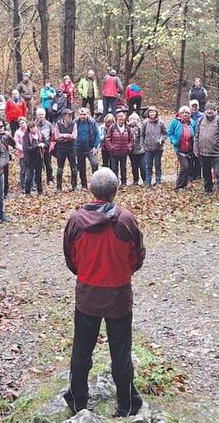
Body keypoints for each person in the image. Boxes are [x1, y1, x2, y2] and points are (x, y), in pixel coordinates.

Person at [63, 168, 146, 418]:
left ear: (91, 189)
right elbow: (137, 256)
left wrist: (88, 272)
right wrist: (121, 271)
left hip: (88, 295)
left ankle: (78, 400)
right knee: (120, 352)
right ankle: (126, 404)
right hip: (118, 296)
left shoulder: (76, 221)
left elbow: (71, 259)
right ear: (116, 190)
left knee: (81, 350)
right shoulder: (126, 220)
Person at [195, 102, 219, 201]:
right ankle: (208, 189)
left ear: (215, 110)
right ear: (205, 110)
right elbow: (197, 136)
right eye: (207, 109)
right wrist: (196, 149)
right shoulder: (201, 120)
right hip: (203, 153)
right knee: (206, 173)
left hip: (216, 154)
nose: (209, 111)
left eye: (211, 109)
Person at [168, 106, 197, 190]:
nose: (185, 114)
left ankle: (185, 184)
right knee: (185, 167)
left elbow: (196, 132)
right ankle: (179, 186)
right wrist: (173, 141)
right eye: (183, 113)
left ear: (189, 114)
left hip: (190, 148)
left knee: (189, 167)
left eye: (187, 113)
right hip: (180, 148)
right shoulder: (175, 122)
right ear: (180, 114)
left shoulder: (192, 122)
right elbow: (169, 133)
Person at [103, 111, 134, 185]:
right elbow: (107, 139)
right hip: (114, 152)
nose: (121, 121)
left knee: (123, 168)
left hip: (124, 152)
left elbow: (131, 139)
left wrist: (128, 148)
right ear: (116, 119)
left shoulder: (127, 128)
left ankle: (124, 182)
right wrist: (111, 148)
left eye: (122, 120)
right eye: (119, 120)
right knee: (114, 168)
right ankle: (115, 183)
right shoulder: (112, 128)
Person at [54, 108, 80, 191]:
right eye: (68, 115)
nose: (70, 116)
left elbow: (74, 136)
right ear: (64, 116)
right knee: (60, 168)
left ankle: (74, 186)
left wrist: (63, 136)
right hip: (60, 148)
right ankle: (59, 187)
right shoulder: (58, 124)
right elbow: (56, 137)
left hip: (71, 148)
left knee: (74, 168)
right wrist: (68, 135)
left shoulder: (74, 124)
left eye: (71, 115)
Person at [140, 106, 165, 186]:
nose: (152, 113)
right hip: (148, 148)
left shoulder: (160, 123)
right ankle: (148, 181)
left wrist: (162, 139)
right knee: (148, 166)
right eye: (150, 112)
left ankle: (158, 180)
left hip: (158, 148)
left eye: (153, 112)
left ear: (156, 113)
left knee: (158, 165)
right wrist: (143, 145)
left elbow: (165, 134)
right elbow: (142, 135)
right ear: (148, 113)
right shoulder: (145, 123)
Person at [21, 120, 47, 196]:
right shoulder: (26, 137)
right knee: (29, 177)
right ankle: (27, 192)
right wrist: (37, 146)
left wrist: (43, 145)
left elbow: (46, 143)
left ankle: (40, 191)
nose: (33, 129)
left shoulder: (40, 135)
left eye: (34, 127)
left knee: (39, 176)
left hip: (39, 158)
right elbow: (27, 149)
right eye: (31, 128)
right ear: (29, 129)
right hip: (30, 159)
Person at [34, 108, 55, 184]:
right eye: (39, 114)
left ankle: (50, 178)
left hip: (47, 147)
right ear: (36, 115)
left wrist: (51, 145)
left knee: (48, 164)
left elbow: (53, 136)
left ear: (45, 115)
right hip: (36, 148)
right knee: (37, 165)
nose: (40, 116)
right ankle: (37, 180)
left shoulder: (49, 124)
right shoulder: (33, 124)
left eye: (42, 114)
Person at [128, 112, 145, 186]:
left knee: (143, 166)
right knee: (134, 166)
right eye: (132, 119)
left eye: (135, 119)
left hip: (141, 151)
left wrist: (142, 147)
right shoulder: (128, 128)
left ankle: (145, 180)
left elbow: (142, 137)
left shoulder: (140, 127)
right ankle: (135, 180)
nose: (133, 121)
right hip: (132, 151)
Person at [13, 116, 30, 189]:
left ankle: (31, 184)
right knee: (23, 170)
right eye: (20, 123)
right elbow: (16, 143)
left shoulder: (29, 130)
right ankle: (23, 185)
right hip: (22, 154)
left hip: (30, 154)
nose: (22, 124)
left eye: (23, 123)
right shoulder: (17, 132)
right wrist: (23, 149)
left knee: (31, 170)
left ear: (26, 123)